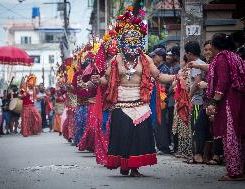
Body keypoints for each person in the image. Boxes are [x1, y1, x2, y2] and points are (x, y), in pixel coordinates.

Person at [89, 8, 181, 176]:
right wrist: (97, 81)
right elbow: (106, 81)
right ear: (123, 44)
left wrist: (176, 76)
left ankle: (134, 166)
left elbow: (159, 76)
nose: (132, 45)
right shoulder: (116, 59)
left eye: (135, 42)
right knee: (123, 136)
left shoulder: (145, 58)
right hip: (121, 104)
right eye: (128, 42)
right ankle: (124, 165)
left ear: (139, 43)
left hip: (141, 103)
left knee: (139, 137)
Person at [190, 33, 245, 181]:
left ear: (215, 46)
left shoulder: (221, 58)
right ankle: (239, 169)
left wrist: (214, 101)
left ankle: (234, 172)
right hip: (238, 100)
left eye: (211, 47)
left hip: (228, 101)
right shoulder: (234, 56)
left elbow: (223, 82)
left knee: (230, 135)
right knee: (237, 136)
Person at [184, 41, 206, 164]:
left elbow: (197, 82)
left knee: (196, 128)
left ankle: (197, 154)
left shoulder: (195, 64)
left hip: (198, 101)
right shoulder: (202, 63)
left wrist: (188, 96)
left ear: (189, 53)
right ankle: (197, 154)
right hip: (201, 100)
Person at [149, 47, 171, 154]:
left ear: (161, 57)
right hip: (157, 98)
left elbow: (163, 84)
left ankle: (164, 147)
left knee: (161, 123)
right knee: (158, 123)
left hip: (162, 98)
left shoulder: (164, 69)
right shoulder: (157, 67)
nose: (153, 57)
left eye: (155, 56)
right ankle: (160, 145)